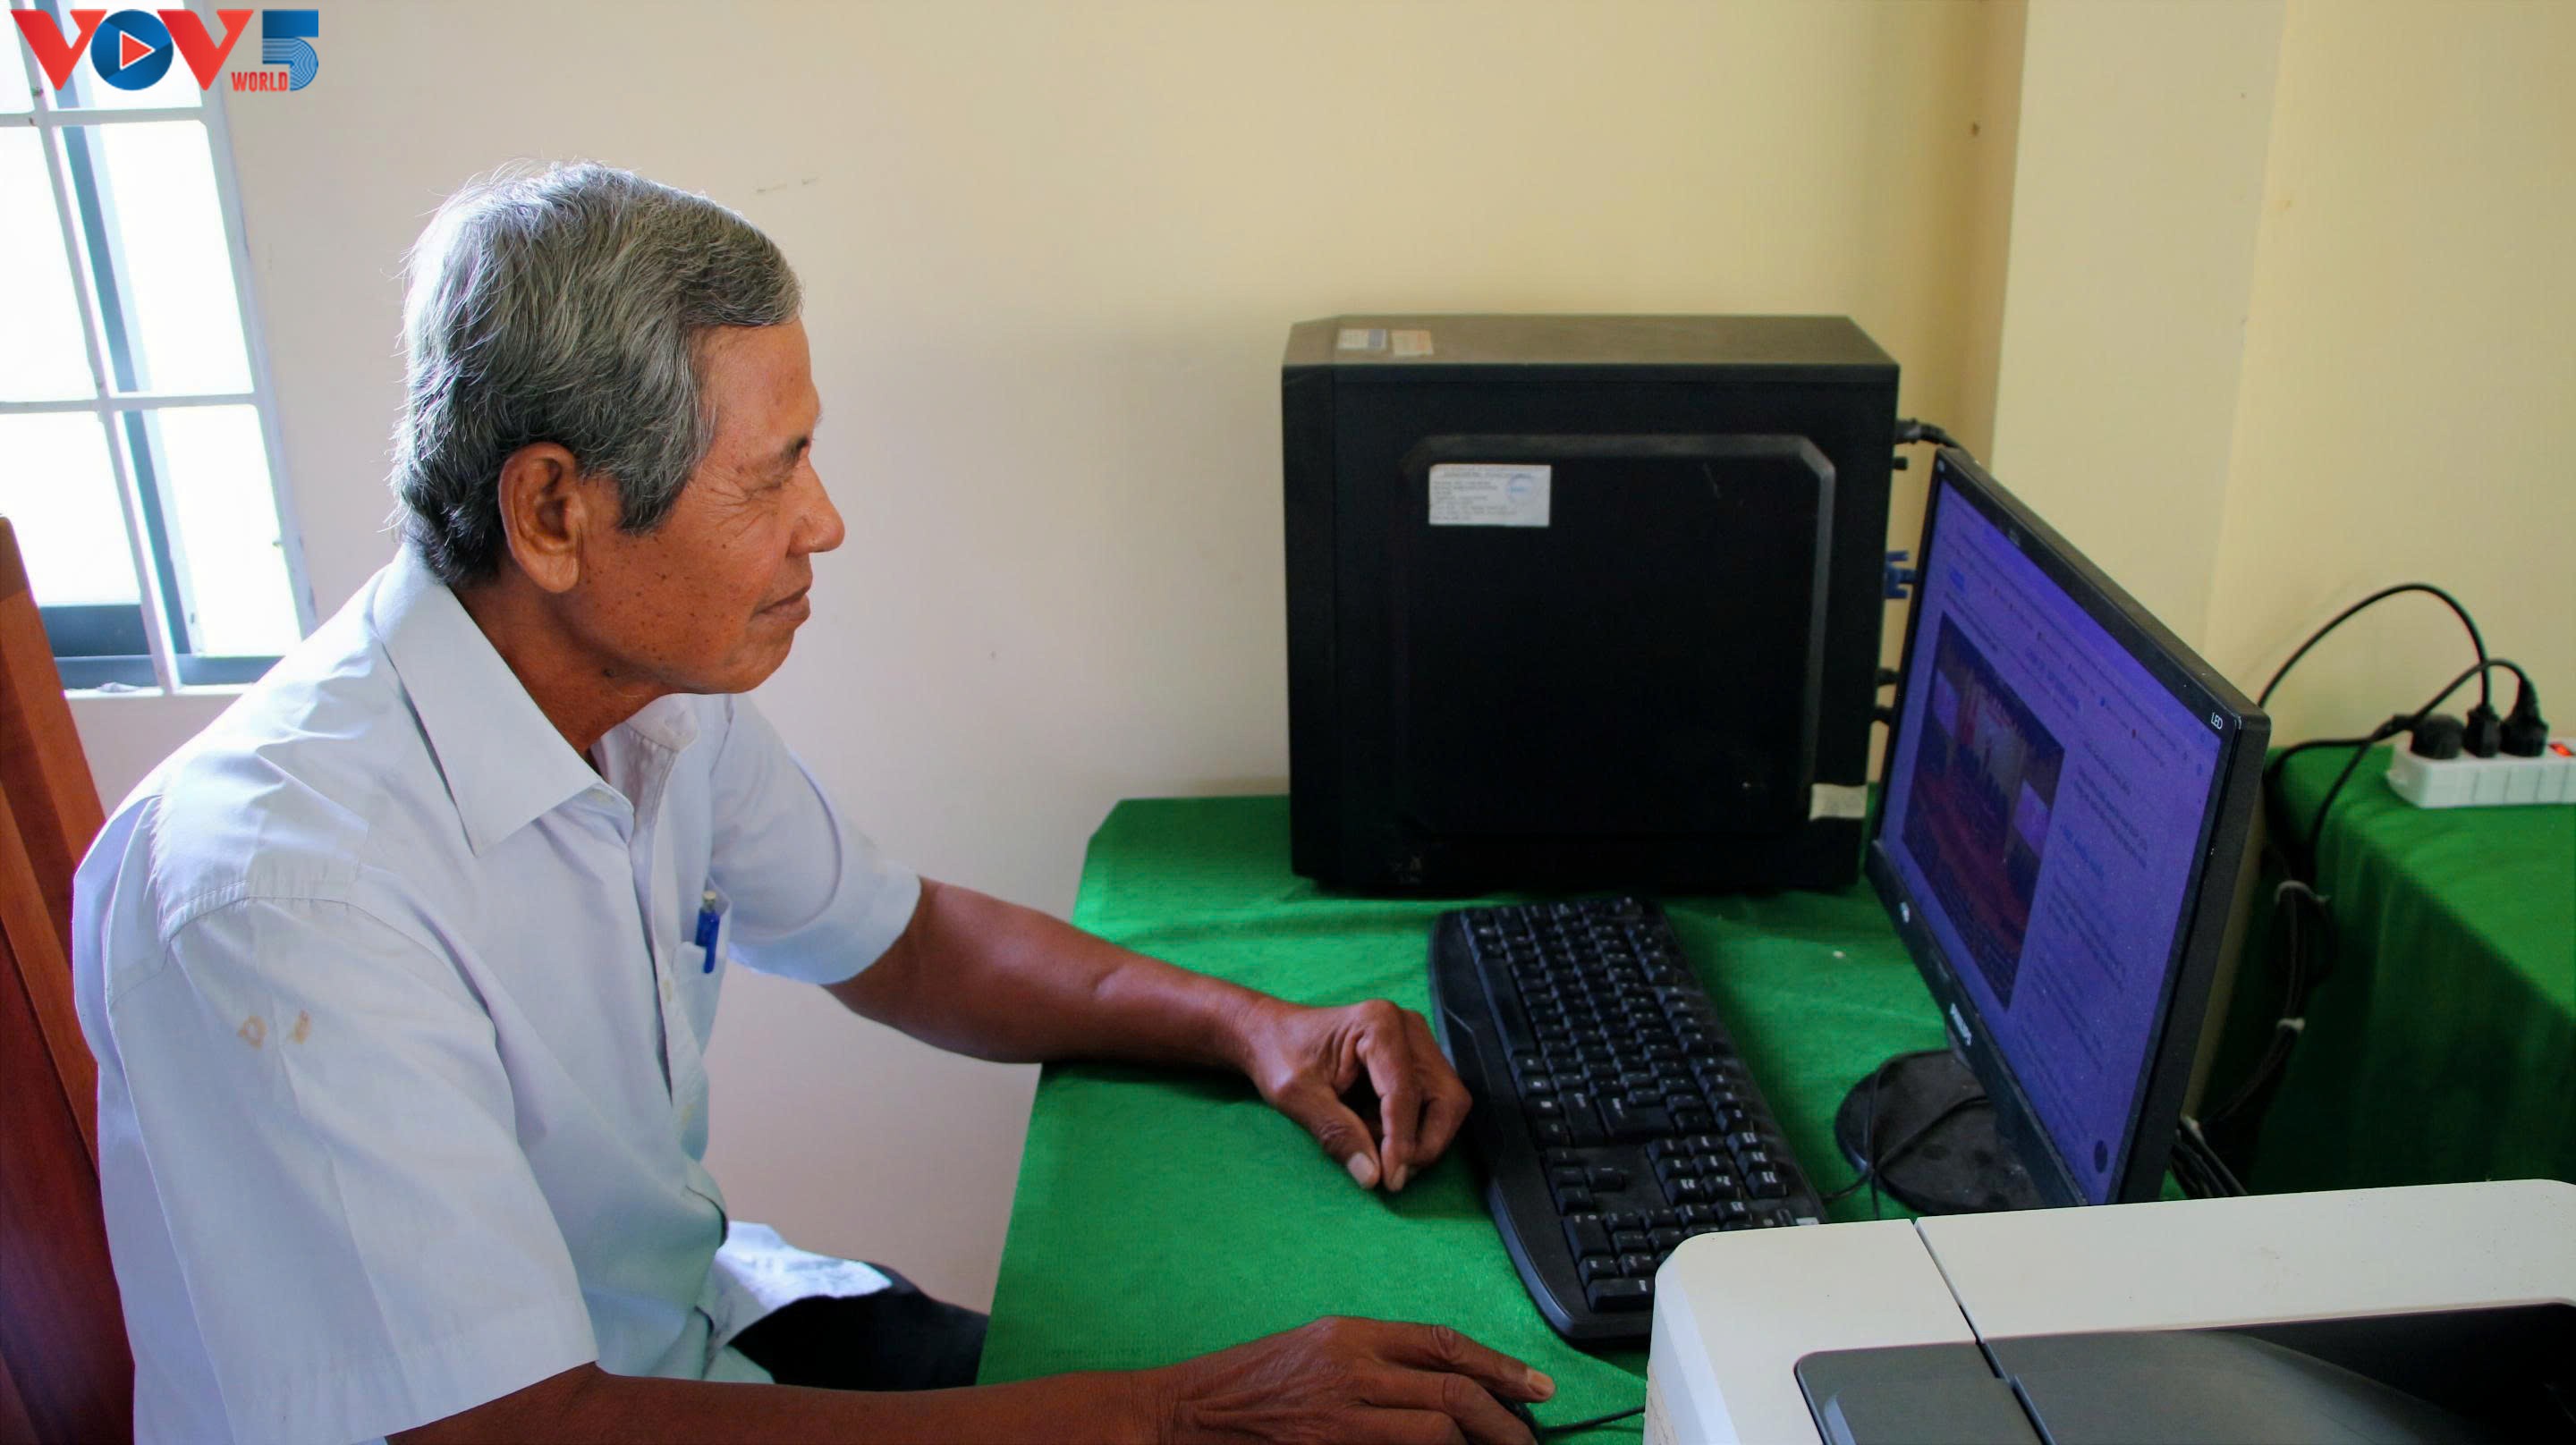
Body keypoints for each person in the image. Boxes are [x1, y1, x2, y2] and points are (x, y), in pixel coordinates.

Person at [70, 163, 1553, 1445]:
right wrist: (1174, 1417)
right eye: (766, 479)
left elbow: (901, 942)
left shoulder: (651, 702)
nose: (823, 523)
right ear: (553, 512)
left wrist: (1252, 1026)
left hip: (684, 1340)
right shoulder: (278, 900)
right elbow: (509, 1428)